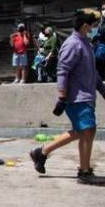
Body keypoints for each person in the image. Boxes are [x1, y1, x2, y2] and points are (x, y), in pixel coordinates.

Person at [30, 9, 105, 185]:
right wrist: (62, 96)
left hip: (86, 96)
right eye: (94, 25)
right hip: (76, 97)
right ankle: (84, 171)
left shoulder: (86, 43)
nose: (96, 28)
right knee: (86, 130)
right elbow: (63, 70)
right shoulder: (73, 44)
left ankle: (42, 152)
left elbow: (91, 71)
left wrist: (101, 87)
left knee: (86, 131)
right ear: (86, 26)